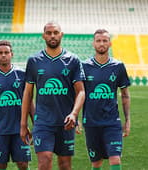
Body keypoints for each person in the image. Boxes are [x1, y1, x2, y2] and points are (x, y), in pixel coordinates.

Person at [20, 21, 85, 170]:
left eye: (56, 32)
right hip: (43, 122)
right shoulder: (34, 61)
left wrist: (74, 114)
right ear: (43, 36)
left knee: (65, 165)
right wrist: (23, 123)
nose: (52, 36)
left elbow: (81, 91)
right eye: (49, 33)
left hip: (66, 122)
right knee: (44, 161)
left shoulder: (73, 60)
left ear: (61, 35)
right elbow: (28, 93)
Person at [0, 40, 34, 170]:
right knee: (1, 165)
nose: (3, 55)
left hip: (20, 129)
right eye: (0, 53)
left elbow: (30, 102)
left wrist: (36, 125)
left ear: (12, 54)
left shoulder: (21, 75)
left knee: (23, 164)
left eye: (6, 52)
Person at [82, 29, 131, 170]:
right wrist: (75, 116)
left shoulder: (118, 66)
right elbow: (77, 94)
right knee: (96, 162)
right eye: (98, 40)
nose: (101, 43)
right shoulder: (84, 67)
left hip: (112, 122)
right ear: (93, 44)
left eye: (104, 40)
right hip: (91, 122)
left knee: (115, 159)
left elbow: (125, 95)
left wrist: (127, 120)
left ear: (110, 43)